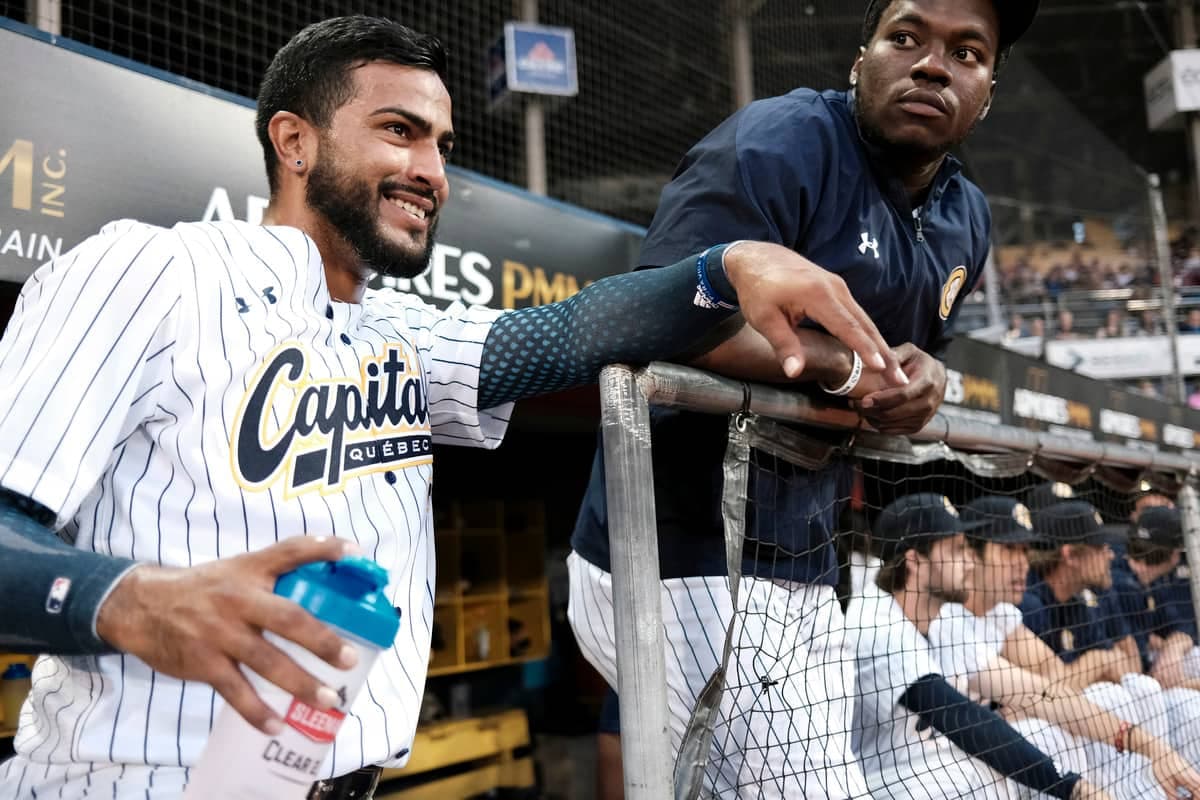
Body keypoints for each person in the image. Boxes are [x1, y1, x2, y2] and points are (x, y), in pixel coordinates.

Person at [0, 17, 903, 800]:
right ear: (295, 140)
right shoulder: (152, 272)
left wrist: (726, 269)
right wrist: (124, 600)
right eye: (399, 131)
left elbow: (572, 333)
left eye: (442, 144)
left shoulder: (396, 332)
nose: (430, 169)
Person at [567, 0, 1039, 795]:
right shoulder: (782, 140)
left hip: (803, 556)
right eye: (905, 38)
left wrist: (931, 381)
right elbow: (655, 315)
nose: (931, 64)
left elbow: (917, 362)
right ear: (862, 58)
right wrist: (846, 367)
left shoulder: (967, 214)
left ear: (987, 89)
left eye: (966, 52)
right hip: (679, 551)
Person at [932, 495, 1200, 799]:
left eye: (1024, 550)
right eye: (1009, 549)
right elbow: (1038, 696)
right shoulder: (949, 619)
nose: (1022, 562)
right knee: (1046, 730)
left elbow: (1055, 686)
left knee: (1094, 704)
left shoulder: (1001, 614)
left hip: (970, 757)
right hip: (929, 764)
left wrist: (1154, 748)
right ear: (971, 555)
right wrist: (1096, 664)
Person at [848, 493, 1102, 800]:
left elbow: (1032, 691)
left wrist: (1128, 737)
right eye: (957, 550)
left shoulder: (942, 618)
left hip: (928, 767)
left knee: (1026, 746)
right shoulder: (876, 622)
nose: (970, 561)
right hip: (879, 778)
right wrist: (1069, 785)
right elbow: (960, 717)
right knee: (962, 771)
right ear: (915, 560)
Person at [1019, 501, 1200, 768]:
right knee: (1107, 696)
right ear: (1071, 556)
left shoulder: (1078, 601)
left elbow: (1127, 669)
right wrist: (1096, 662)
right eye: (1100, 548)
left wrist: (1090, 667)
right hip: (1025, 732)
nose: (1111, 555)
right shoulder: (1030, 604)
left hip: (1072, 721)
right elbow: (1035, 694)